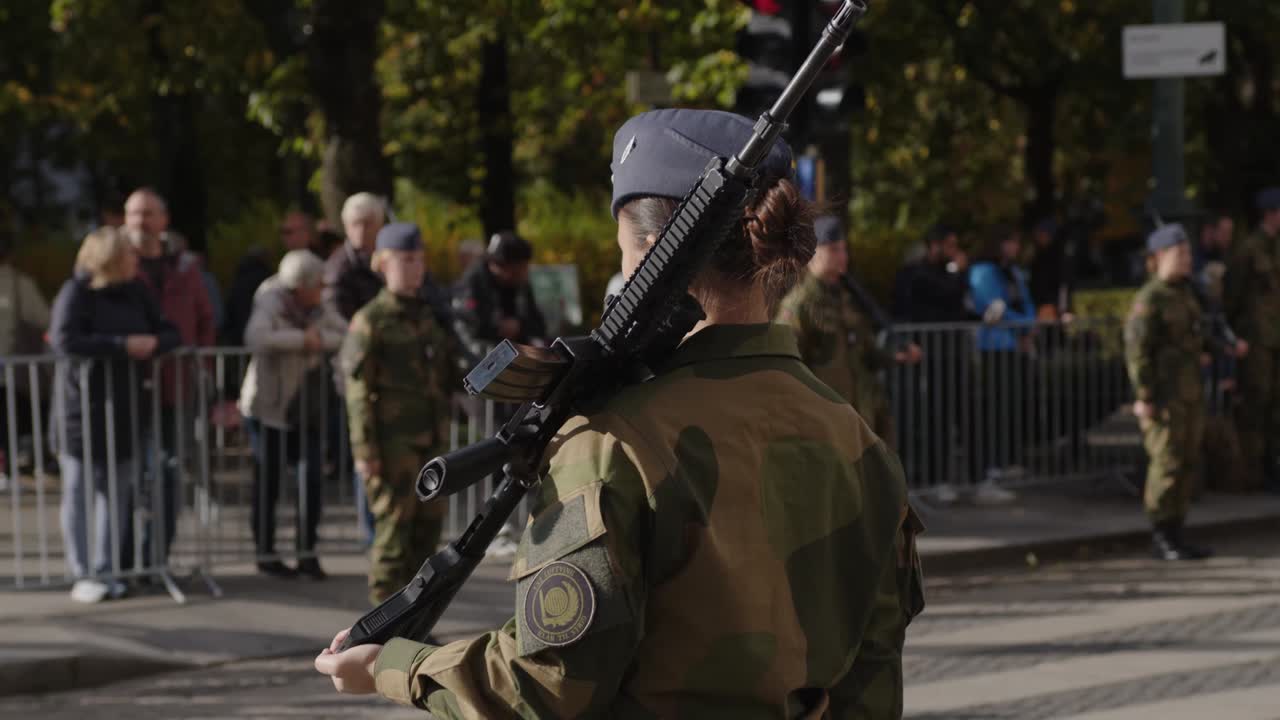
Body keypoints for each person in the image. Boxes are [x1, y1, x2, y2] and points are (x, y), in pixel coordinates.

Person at [316, 108, 924, 718]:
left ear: (655, 259)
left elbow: (543, 688)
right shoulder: (859, 442)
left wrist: (395, 666)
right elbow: (873, 684)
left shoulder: (614, 441)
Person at [50, 227, 180, 602]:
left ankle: (107, 569)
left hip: (126, 408)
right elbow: (64, 340)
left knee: (117, 492)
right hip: (81, 411)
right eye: (128, 254)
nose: (135, 260)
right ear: (109, 257)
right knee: (78, 491)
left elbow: (170, 331)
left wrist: (154, 343)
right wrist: (122, 346)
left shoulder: (137, 291)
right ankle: (82, 570)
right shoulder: (76, 291)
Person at [339, 223, 460, 605]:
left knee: (426, 540)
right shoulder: (371, 320)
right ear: (383, 263)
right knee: (393, 541)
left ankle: (415, 627)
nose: (416, 268)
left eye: (420, 260)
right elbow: (357, 393)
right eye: (407, 260)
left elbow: (447, 377)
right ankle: (381, 633)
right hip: (393, 448)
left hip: (431, 442)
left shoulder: (428, 316)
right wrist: (365, 452)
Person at [238, 250, 347, 579]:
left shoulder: (320, 307)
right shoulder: (270, 301)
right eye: (317, 285)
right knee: (268, 481)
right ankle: (266, 552)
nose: (322, 290)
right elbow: (255, 337)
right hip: (267, 407)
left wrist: (319, 339)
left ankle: (306, 552)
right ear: (300, 287)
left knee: (310, 480)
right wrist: (302, 340)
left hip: (306, 408)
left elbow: (346, 334)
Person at [123, 188, 215, 570]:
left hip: (176, 388)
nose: (141, 222)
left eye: (148, 214)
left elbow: (205, 321)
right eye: (133, 215)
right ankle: (124, 563)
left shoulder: (184, 267)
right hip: (124, 391)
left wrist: (203, 371)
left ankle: (156, 558)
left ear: (164, 220)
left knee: (170, 473)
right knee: (128, 477)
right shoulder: (116, 263)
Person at [777, 214, 922, 446]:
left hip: (862, 416)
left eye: (844, 249)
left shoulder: (849, 299)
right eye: (834, 250)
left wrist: (894, 356)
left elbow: (864, 353)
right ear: (813, 253)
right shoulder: (799, 307)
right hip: (824, 423)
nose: (843, 257)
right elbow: (787, 370)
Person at [1126, 224, 1215, 560]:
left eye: (1188, 252)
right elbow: (1137, 352)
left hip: (1189, 392)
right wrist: (1145, 396)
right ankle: (1161, 533)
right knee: (1167, 463)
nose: (1187, 259)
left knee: (1188, 461)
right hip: (1164, 396)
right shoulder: (1151, 299)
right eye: (1181, 253)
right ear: (1160, 256)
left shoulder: (1185, 293)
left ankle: (1177, 530)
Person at [967, 224, 1038, 502]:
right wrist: (1024, 325)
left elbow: (1025, 301)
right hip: (993, 347)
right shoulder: (984, 271)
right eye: (1010, 242)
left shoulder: (1014, 272)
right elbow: (995, 307)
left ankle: (1006, 459)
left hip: (1013, 347)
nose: (1015, 248)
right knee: (994, 406)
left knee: (1011, 404)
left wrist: (1027, 324)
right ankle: (992, 465)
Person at [1225, 188, 1280, 491]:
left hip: (1275, 337)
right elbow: (1232, 295)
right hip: (1257, 338)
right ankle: (1253, 469)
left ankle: (1273, 464)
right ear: (1270, 213)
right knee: (1256, 401)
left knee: (1275, 404)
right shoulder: (1248, 249)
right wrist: (1238, 334)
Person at [0, 227, 52, 479]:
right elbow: (46, 319)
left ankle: (5, 470)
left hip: (8, 372)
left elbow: (45, 320)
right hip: (10, 371)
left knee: (7, 422)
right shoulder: (19, 284)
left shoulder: (18, 284)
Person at [453, 230, 548, 348]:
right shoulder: (473, 284)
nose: (525, 272)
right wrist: (497, 328)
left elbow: (539, 325)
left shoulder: (519, 284)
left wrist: (519, 326)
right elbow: (469, 326)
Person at [891, 224, 972, 323]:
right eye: (950, 246)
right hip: (921, 334)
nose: (955, 251)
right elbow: (944, 292)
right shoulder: (915, 273)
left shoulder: (946, 269)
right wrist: (956, 269)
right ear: (935, 246)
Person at [325, 193, 387, 321]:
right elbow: (339, 317)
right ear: (346, 226)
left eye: (367, 223)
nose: (361, 231)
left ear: (380, 224)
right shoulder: (338, 268)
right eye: (355, 224)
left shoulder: (394, 256)